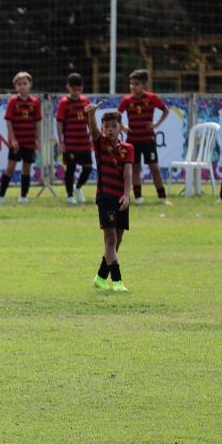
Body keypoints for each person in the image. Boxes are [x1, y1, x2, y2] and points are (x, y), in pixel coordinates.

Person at [86, 102, 134, 292]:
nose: (110, 129)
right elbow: (93, 131)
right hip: (105, 197)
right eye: (106, 127)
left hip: (121, 198)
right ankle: (117, 281)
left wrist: (127, 195)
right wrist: (91, 115)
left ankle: (100, 277)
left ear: (121, 127)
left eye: (114, 126)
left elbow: (128, 172)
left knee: (117, 240)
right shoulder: (100, 143)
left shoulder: (128, 148)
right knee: (111, 239)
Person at [118, 68, 170, 204]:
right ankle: (138, 197)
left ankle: (162, 197)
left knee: (155, 168)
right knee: (135, 168)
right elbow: (116, 116)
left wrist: (156, 124)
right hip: (132, 141)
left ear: (144, 85)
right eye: (131, 83)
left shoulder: (152, 98)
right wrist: (122, 127)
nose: (133, 86)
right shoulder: (126, 100)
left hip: (148, 140)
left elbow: (165, 110)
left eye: (136, 84)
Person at [0, 71, 42, 205]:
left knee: (26, 168)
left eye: (24, 83)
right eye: (19, 84)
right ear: (16, 87)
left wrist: (38, 140)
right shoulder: (13, 101)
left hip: (29, 141)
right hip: (16, 142)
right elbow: (9, 122)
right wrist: (13, 140)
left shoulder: (35, 102)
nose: (22, 86)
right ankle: (1, 196)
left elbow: (37, 122)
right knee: (10, 168)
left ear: (30, 85)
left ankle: (23, 197)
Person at [55, 72, 94, 204]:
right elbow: (59, 123)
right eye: (73, 89)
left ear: (82, 88)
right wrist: (61, 142)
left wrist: (92, 137)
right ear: (68, 87)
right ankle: (70, 195)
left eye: (78, 89)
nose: (76, 92)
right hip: (70, 143)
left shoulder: (85, 101)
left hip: (84, 142)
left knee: (88, 167)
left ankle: (78, 187)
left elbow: (90, 120)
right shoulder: (64, 103)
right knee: (70, 170)